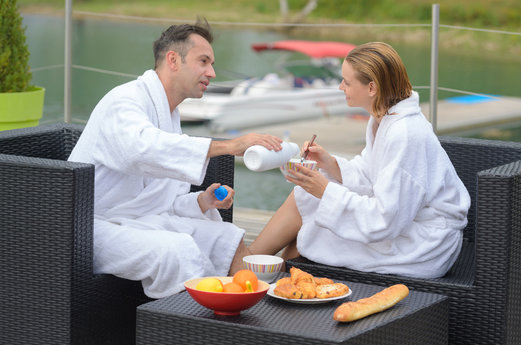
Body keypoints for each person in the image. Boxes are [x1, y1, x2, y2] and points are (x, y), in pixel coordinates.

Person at [68, 19, 282, 299]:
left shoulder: (170, 115)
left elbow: (161, 201)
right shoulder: (124, 101)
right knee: (177, 250)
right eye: (203, 61)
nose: (212, 72)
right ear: (173, 60)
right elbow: (141, 149)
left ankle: (256, 313)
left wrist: (202, 201)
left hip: (142, 222)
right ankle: (193, 330)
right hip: (93, 229)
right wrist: (229, 146)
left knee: (227, 237)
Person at [249, 42, 471, 279]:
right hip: (404, 227)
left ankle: (250, 272)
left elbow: (386, 220)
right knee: (305, 201)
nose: (340, 86)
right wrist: (329, 163)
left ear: (372, 87)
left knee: (303, 233)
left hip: (423, 245)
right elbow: (370, 173)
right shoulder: (383, 118)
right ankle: (256, 272)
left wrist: (325, 190)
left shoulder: (405, 134)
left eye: (347, 81)